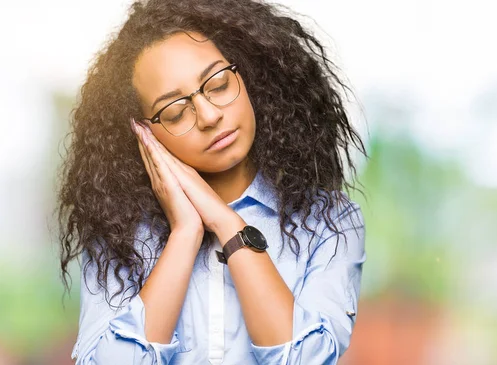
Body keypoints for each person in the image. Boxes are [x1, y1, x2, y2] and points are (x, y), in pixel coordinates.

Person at [57, 0, 368, 364]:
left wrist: (225, 224)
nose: (208, 115)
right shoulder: (119, 236)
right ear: (145, 134)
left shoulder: (327, 224)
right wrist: (185, 233)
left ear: (248, 76)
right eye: (174, 111)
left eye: (218, 84)